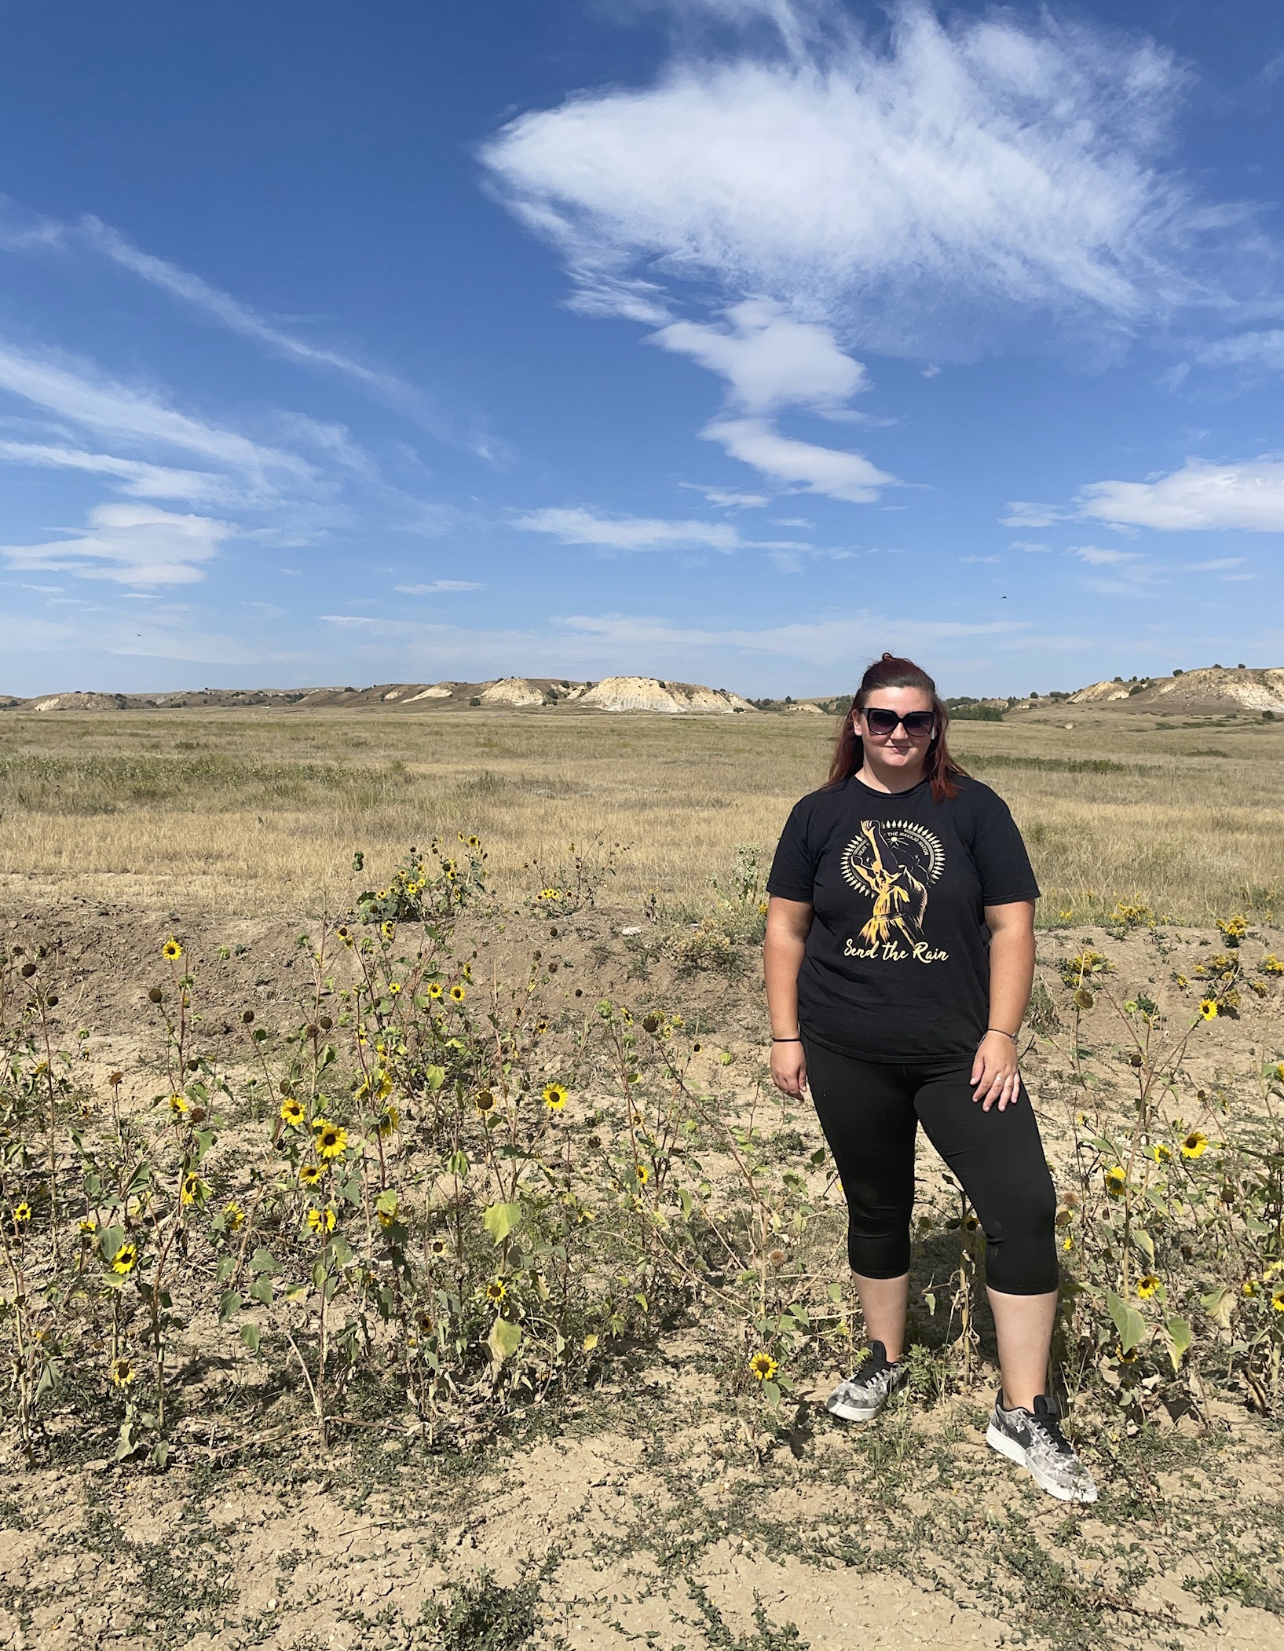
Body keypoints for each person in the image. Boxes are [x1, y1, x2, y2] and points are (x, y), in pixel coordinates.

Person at [763, 652, 1095, 1504]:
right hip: (846, 1047)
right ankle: (884, 1356)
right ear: (857, 724)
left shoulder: (975, 811)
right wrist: (785, 1034)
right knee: (877, 1204)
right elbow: (787, 931)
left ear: (936, 725)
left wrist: (1002, 1033)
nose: (899, 733)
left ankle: (1024, 1410)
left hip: (962, 1054)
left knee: (1022, 1205)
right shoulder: (819, 815)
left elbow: (1013, 928)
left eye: (916, 719)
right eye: (883, 718)